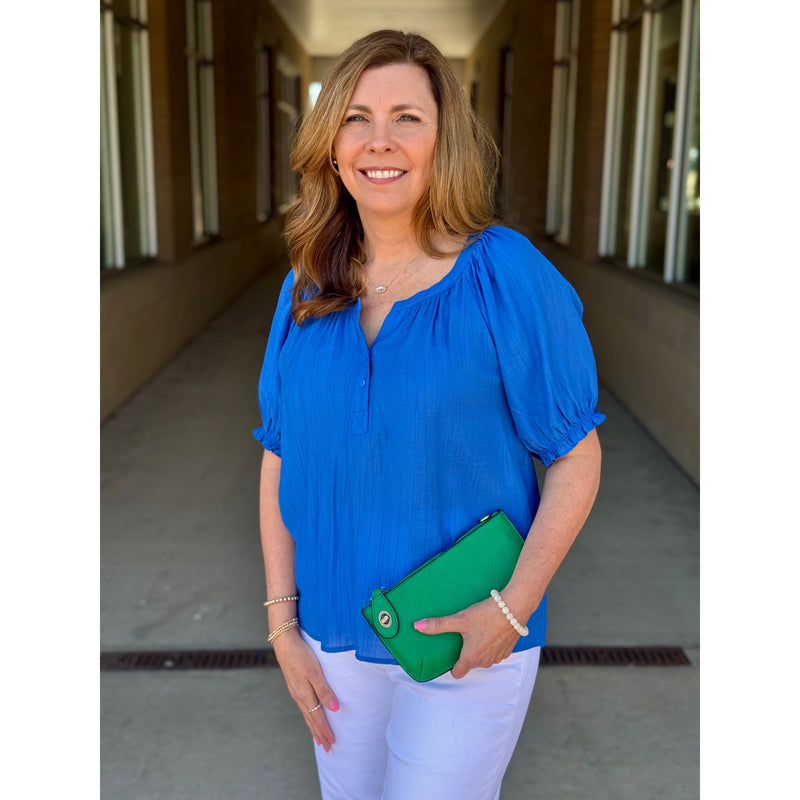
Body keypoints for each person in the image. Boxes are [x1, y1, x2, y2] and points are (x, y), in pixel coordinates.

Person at [254, 29, 603, 800]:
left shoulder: (502, 274)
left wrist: (510, 612)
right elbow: (279, 456)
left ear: (444, 139)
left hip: (465, 636)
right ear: (330, 143)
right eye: (356, 117)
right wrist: (283, 628)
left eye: (407, 117)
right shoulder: (306, 288)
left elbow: (577, 456)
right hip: (333, 637)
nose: (380, 141)